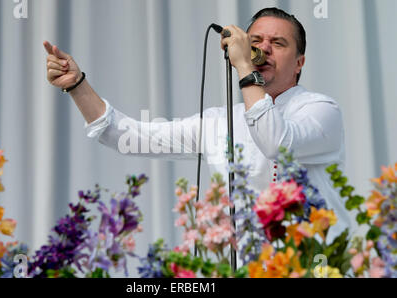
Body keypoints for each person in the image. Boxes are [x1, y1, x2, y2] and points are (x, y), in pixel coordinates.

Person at [43, 7, 352, 240]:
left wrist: (244, 65)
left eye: (278, 43)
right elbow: (124, 136)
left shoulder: (321, 111)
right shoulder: (220, 122)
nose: (264, 48)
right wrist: (77, 84)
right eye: (255, 41)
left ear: (300, 62)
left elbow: (276, 142)